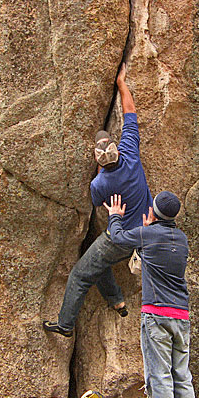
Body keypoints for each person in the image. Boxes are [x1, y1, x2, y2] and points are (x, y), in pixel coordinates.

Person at [42, 63, 152, 337]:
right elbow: (130, 112)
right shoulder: (131, 154)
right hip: (146, 231)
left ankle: (65, 324)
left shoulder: (100, 183)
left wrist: (101, 174)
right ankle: (117, 300)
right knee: (97, 259)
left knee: (80, 274)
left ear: (96, 160)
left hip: (120, 236)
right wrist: (121, 84)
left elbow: (95, 201)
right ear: (116, 147)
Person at [104, 192, 198, 398]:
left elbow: (117, 237)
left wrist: (115, 216)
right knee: (182, 376)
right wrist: (149, 229)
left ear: (154, 212)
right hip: (181, 316)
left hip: (156, 315)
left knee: (159, 377)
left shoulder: (147, 234)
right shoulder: (182, 239)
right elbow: (156, 251)